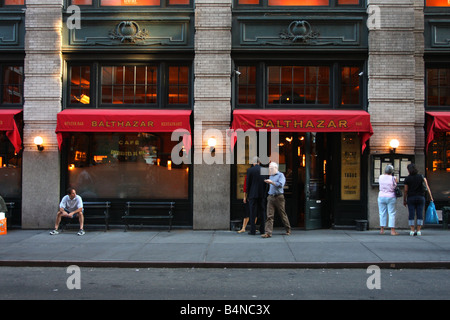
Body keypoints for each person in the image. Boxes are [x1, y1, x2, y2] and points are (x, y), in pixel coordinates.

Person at [261, 162, 291, 238]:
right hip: (271, 196)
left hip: (279, 197)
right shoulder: (271, 176)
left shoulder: (281, 175)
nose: (270, 170)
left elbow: (281, 184)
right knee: (269, 215)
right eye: (269, 168)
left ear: (276, 168)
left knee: (282, 214)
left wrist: (272, 182)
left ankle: (288, 229)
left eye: (271, 168)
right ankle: (268, 233)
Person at [403, 163, 433, 236]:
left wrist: (404, 199)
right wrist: (431, 197)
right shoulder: (422, 177)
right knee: (420, 213)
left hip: (411, 197)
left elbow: (406, 190)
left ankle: (412, 230)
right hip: (421, 197)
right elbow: (427, 187)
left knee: (411, 213)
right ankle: (419, 230)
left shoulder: (407, 178)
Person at [246, 156, 267, 235]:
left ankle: (252, 230)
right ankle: (262, 229)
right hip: (262, 194)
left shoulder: (250, 170)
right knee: (262, 212)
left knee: (252, 212)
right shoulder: (264, 170)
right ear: (259, 162)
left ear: (253, 162)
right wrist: (265, 193)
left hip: (252, 194)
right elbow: (266, 183)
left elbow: (248, 183)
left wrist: (248, 194)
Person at [377, 165, 399, 235]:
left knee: (382, 212)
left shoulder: (380, 177)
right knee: (391, 213)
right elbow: (396, 185)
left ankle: (382, 229)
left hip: (381, 196)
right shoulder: (394, 178)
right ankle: (392, 230)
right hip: (391, 196)